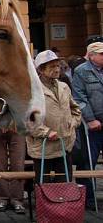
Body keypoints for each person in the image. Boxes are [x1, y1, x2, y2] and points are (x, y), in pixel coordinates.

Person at [28, 50, 81, 184]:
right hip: (43, 147)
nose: (57, 69)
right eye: (52, 67)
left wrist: (73, 123)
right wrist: (46, 132)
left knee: (64, 182)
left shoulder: (64, 86)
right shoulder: (32, 90)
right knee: (43, 184)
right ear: (40, 69)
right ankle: (45, 206)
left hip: (65, 144)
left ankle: (64, 206)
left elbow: (75, 109)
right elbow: (28, 120)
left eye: (58, 66)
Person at [71, 42, 103, 209]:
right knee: (87, 162)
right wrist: (90, 119)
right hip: (92, 126)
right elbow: (79, 98)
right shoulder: (82, 71)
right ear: (91, 55)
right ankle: (88, 198)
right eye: (101, 54)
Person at [0, 116, 26, 213]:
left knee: (18, 165)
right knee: (0, 165)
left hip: (18, 124)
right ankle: (2, 198)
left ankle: (17, 199)